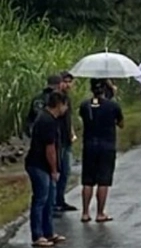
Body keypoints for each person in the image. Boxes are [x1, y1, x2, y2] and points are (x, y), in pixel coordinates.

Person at [25, 91, 69, 247]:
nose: (66, 108)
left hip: (42, 164)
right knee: (40, 199)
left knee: (49, 200)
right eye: (65, 105)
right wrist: (54, 169)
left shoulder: (50, 118)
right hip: (39, 164)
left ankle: (48, 232)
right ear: (59, 104)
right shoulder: (47, 121)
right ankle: (37, 235)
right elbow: (50, 149)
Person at [78, 79, 124, 223]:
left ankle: (85, 213)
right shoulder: (113, 106)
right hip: (107, 145)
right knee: (103, 180)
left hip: (89, 144)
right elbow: (121, 124)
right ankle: (100, 213)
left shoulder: (85, 105)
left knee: (88, 180)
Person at [54, 72, 78, 213]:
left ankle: (60, 200)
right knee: (57, 171)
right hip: (58, 140)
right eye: (65, 81)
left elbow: (69, 118)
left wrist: (72, 132)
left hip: (66, 139)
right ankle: (55, 202)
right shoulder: (55, 99)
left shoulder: (67, 99)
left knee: (66, 171)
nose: (68, 84)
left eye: (70, 82)